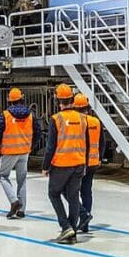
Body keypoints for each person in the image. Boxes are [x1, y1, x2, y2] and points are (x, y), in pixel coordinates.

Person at [42, 84, 89, 245]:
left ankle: (66, 226)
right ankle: (72, 233)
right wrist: (85, 163)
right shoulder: (82, 119)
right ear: (72, 100)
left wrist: (45, 166)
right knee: (74, 197)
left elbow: (50, 147)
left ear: (58, 101)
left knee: (53, 194)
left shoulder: (56, 119)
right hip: (79, 163)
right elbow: (86, 143)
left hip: (61, 164)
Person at [0, 87, 41, 219]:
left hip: (9, 152)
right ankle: (21, 210)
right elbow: (38, 132)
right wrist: (31, 146)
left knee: (3, 176)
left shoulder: (6, 115)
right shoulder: (30, 115)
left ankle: (14, 201)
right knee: (22, 180)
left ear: (9, 100)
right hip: (24, 151)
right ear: (22, 98)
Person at [75, 93, 104, 234]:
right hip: (93, 162)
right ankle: (85, 224)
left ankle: (81, 216)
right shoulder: (96, 122)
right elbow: (102, 143)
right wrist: (99, 158)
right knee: (87, 191)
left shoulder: (76, 122)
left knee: (72, 192)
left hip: (79, 162)